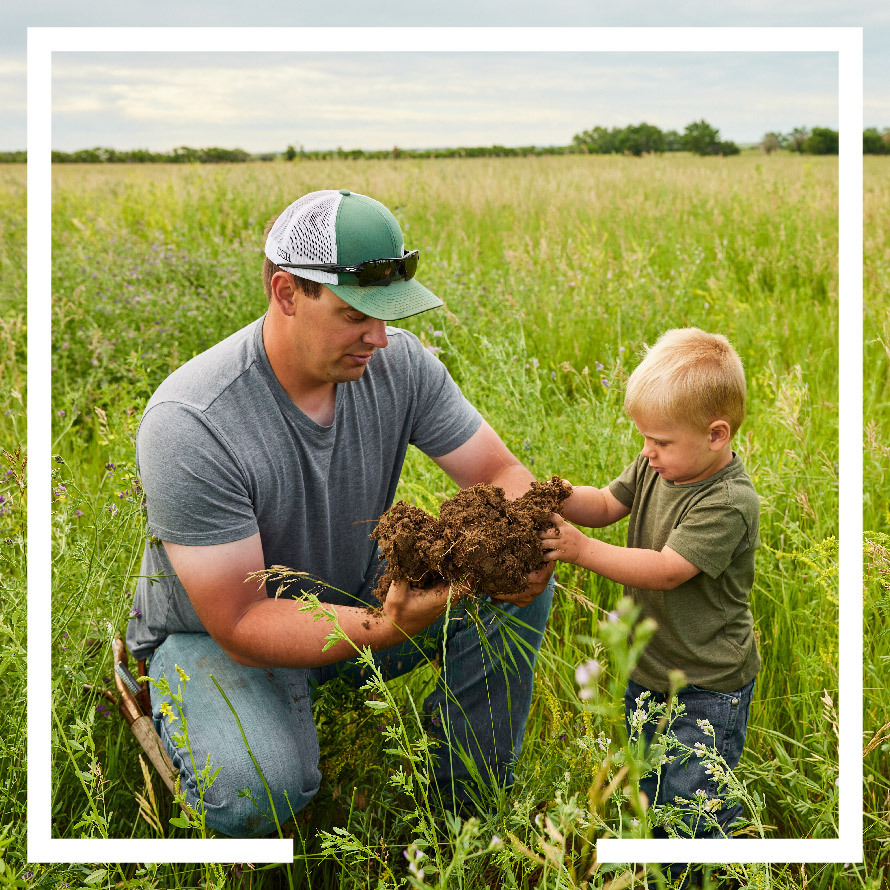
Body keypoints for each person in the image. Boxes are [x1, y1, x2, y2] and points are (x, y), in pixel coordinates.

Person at [126, 188, 554, 838]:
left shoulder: (397, 363)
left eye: (389, 315)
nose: (379, 338)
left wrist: (531, 539)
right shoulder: (193, 422)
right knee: (255, 791)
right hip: (217, 637)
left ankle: (462, 823)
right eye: (357, 313)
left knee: (510, 587)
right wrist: (386, 626)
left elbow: (497, 474)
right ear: (286, 293)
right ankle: (183, 718)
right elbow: (241, 619)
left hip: (349, 590)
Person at [541, 328, 760, 877]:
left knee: (692, 810)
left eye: (659, 440)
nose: (646, 451)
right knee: (654, 789)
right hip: (651, 671)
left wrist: (580, 550)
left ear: (716, 435)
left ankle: (708, 875)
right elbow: (606, 504)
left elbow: (666, 570)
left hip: (707, 687)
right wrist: (557, 495)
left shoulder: (727, 500)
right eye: (643, 438)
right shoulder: (656, 467)